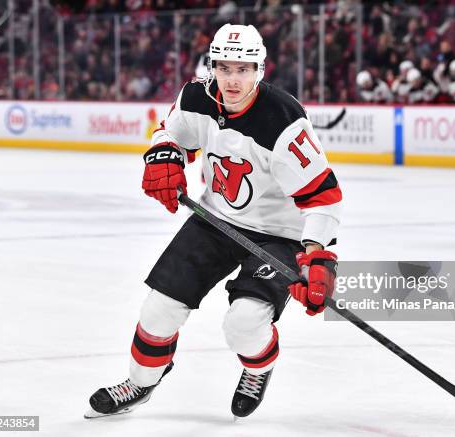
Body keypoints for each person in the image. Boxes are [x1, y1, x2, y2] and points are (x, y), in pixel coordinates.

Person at [84, 23, 342, 419]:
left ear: (260, 69)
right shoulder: (195, 96)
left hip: (278, 235)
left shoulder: (284, 120)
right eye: (225, 68)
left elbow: (323, 197)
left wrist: (316, 255)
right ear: (213, 67)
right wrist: (163, 154)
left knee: (243, 324)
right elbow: (170, 132)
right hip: (215, 219)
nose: (233, 80)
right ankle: (140, 381)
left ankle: (259, 368)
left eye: (243, 69)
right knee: (158, 310)